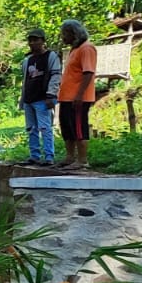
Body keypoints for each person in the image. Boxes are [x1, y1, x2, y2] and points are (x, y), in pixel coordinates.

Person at [57, 19, 97, 170]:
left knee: (79, 128)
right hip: (66, 97)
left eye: (64, 34)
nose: (63, 38)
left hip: (78, 97)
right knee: (67, 128)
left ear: (73, 34)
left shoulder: (87, 49)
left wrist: (79, 95)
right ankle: (70, 157)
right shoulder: (74, 50)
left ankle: (82, 160)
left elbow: (88, 73)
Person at [19, 29, 61, 165]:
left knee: (45, 127)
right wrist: (22, 100)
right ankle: (34, 155)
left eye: (36, 40)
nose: (33, 43)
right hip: (29, 98)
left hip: (43, 98)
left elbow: (56, 76)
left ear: (43, 41)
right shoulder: (28, 60)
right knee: (31, 129)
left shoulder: (51, 56)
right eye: (30, 40)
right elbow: (25, 80)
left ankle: (49, 156)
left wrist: (51, 94)